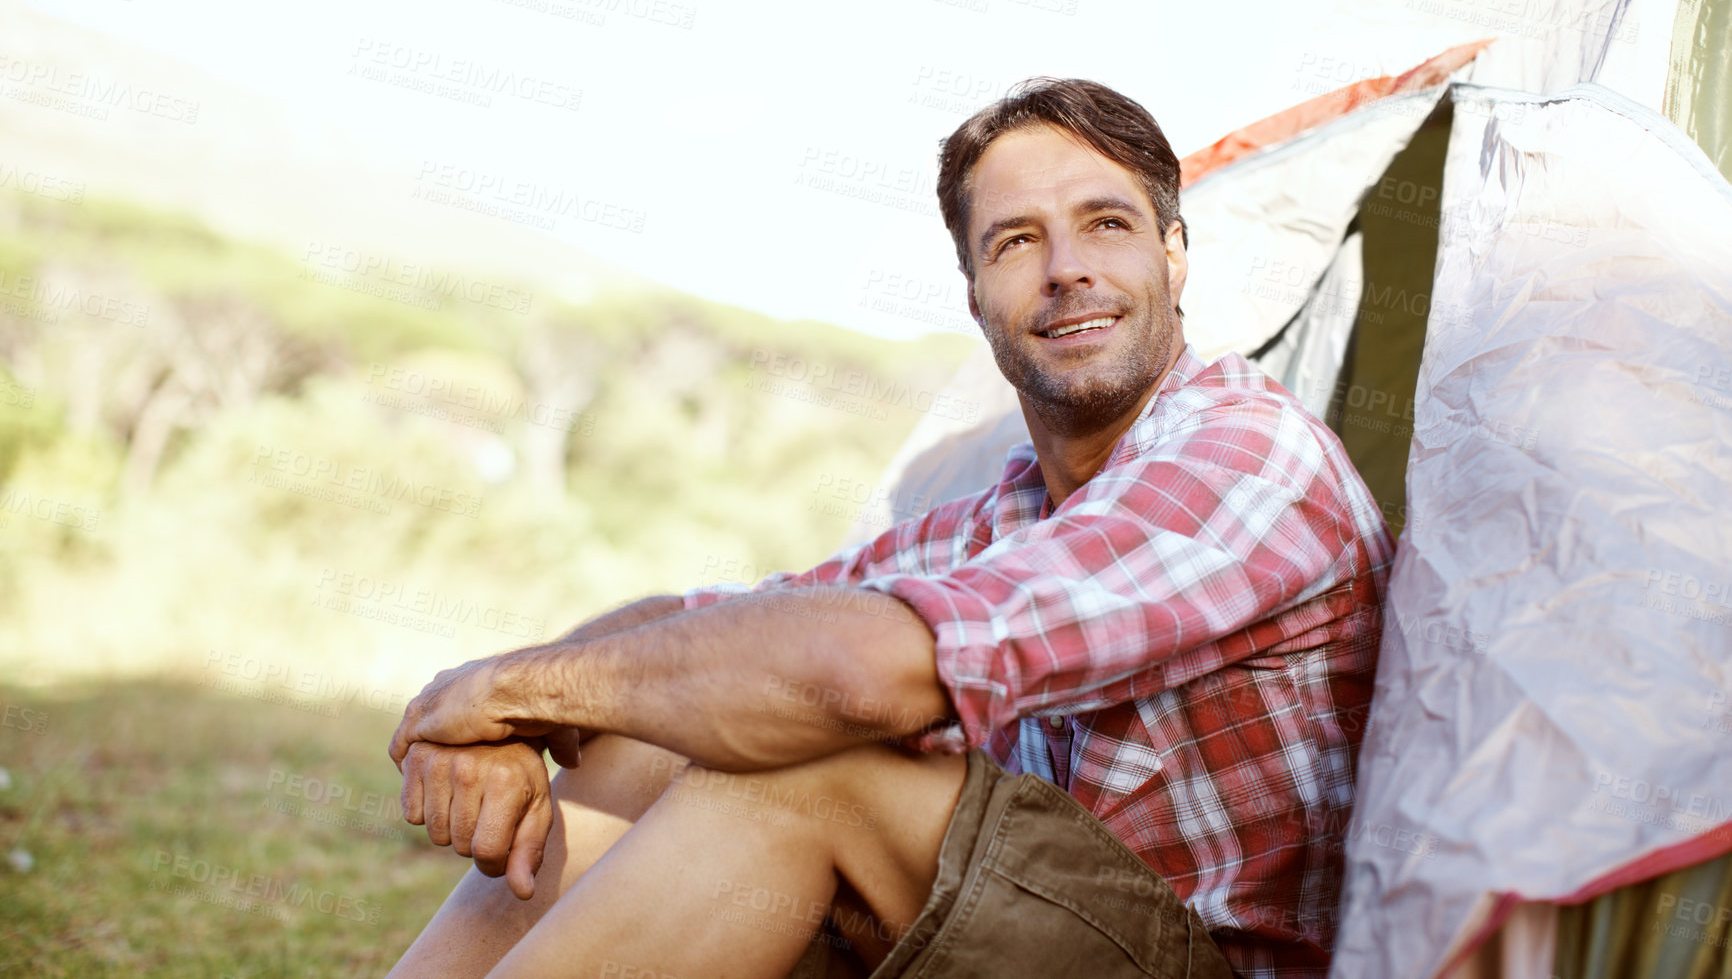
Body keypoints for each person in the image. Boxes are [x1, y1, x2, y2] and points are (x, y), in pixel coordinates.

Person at [385, 78, 1395, 979]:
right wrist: (499, 711)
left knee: (809, 761)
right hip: (1040, 921)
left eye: (1106, 225)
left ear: (1174, 257)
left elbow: (849, 675)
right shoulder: (1007, 515)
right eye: (1015, 241)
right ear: (976, 296)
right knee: (675, 710)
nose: (1065, 269)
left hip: (1203, 959)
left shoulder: (1246, 453)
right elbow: (719, 625)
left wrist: (508, 688)